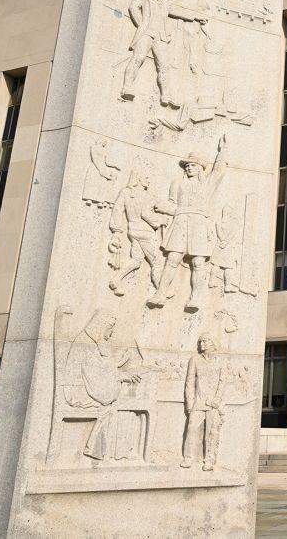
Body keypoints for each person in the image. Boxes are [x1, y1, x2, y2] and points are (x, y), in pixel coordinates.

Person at [147, 135, 228, 312]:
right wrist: (162, 207)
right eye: (188, 165)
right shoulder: (177, 183)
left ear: (200, 168)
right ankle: (161, 293)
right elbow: (173, 205)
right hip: (181, 221)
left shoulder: (207, 184)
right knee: (172, 258)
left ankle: (196, 297)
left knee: (198, 262)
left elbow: (218, 171)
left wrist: (223, 151)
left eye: (193, 165)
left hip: (199, 223)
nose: (190, 168)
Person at [63, 310, 141, 460]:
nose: (111, 332)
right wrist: (121, 376)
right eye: (110, 327)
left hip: (87, 386)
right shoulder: (87, 344)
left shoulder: (91, 342)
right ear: (100, 326)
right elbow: (96, 378)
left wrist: (118, 364)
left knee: (122, 400)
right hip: (79, 392)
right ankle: (116, 451)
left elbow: (100, 369)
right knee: (122, 403)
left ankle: (100, 448)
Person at [120, 0, 207, 108]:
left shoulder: (165, 2)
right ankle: (127, 88)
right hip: (147, 33)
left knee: (164, 66)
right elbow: (133, 8)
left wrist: (195, 16)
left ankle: (165, 95)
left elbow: (175, 11)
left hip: (161, 36)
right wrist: (142, 25)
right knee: (138, 58)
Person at [108, 170, 168, 295]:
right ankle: (161, 290)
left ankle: (116, 279)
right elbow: (154, 212)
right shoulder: (148, 197)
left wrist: (117, 231)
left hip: (133, 230)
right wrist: (161, 219)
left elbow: (117, 210)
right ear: (139, 179)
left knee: (136, 260)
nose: (148, 180)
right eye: (146, 177)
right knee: (156, 262)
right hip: (146, 232)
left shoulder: (126, 193)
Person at [181, 332, 223, 470]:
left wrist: (217, 399)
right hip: (198, 403)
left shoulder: (220, 361)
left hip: (213, 404)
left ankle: (209, 461)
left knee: (212, 432)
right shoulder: (195, 360)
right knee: (192, 428)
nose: (201, 344)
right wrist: (189, 404)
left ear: (212, 342)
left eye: (204, 341)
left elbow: (223, 382)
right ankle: (188, 458)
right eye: (200, 342)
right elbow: (190, 382)